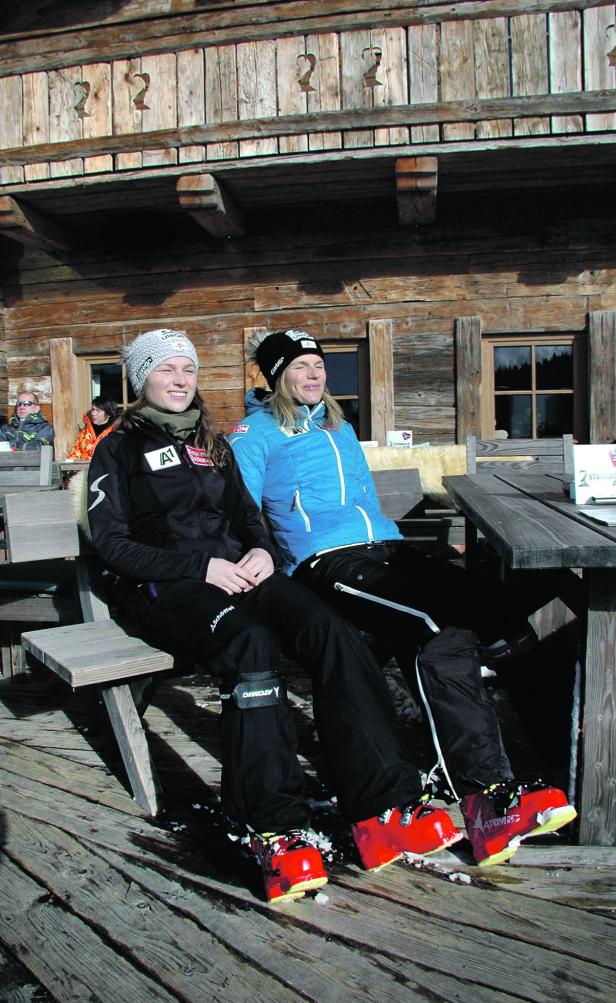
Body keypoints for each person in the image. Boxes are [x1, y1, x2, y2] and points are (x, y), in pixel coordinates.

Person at [86, 327, 462, 903]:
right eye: (166, 370)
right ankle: (270, 824)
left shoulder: (211, 443)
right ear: (141, 382)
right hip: (167, 587)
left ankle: (381, 804)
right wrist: (198, 569)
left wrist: (260, 550)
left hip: (241, 571)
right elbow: (111, 543)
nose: (181, 381)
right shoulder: (119, 447)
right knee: (252, 643)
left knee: (330, 630)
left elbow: (246, 517)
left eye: (187, 370)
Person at [229, 328, 577, 867]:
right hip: (329, 563)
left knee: (499, 612)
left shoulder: (337, 427)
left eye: (319, 365)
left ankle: (561, 757)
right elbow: (243, 514)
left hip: (387, 550)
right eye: (300, 367)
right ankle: (487, 796)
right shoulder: (254, 435)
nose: (314, 375)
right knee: (442, 624)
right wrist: (265, 561)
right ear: (276, 377)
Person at [66, 396, 118, 461]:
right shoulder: (84, 433)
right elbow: (75, 454)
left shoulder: (115, 433)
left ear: (108, 414)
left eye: (98, 411)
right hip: (85, 470)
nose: (93, 413)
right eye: (93, 410)